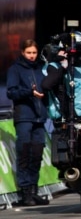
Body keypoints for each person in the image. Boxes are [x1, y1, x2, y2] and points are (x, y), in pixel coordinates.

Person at [6, 39, 49, 206]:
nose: (32, 56)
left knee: (36, 155)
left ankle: (33, 189)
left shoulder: (40, 69)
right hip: (24, 116)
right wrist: (29, 92)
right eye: (29, 53)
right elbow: (11, 92)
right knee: (24, 153)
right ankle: (25, 193)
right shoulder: (15, 69)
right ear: (23, 53)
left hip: (39, 117)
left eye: (34, 53)